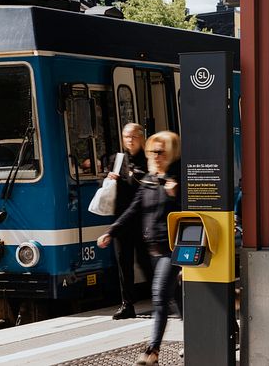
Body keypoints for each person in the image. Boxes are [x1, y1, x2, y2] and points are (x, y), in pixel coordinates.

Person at [97, 131, 181, 366]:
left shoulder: (178, 179)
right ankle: (207, 332)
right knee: (177, 298)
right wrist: (111, 231)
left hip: (171, 249)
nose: (154, 156)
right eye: (152, 151)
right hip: (153, 249)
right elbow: (133, 210)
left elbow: (191, 211)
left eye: (160, 152)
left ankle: (152, 351)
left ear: (170, 153)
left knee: (159, 296)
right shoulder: (149, 181)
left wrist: (176, 194)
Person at [106, 123, 152, 320]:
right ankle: (127, 305)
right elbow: (109, 188)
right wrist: (109, 179)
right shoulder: (116, 160)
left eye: (133, 136)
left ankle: (160, 298)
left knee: (145, 261)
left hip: (142, 219)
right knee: (123, 262)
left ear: (142, 138)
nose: (130, 140)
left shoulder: (150, 160)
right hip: (122, 219)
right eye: (126, 137)